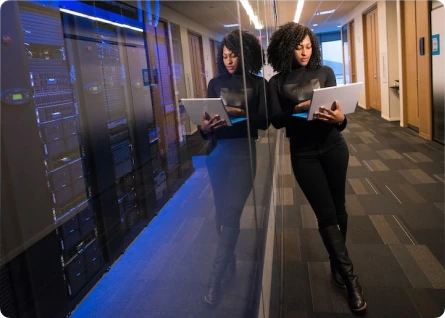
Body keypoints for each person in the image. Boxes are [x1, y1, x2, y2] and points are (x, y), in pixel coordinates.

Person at [267, 22, 367, 312]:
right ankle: (351, 281)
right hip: (303, 153)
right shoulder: (277, 82)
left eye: (309, 46)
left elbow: (341, 117)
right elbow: (276, 119)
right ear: (287, 48)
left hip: (334, 145)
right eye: (299, 47)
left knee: (339, 209)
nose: (305, 52)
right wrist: (297, 109)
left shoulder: (325, 73)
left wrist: (340, 119)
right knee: (325, 215)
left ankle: (337, 265)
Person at [199, 29, 268, 306]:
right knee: (221, 214)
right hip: (218, 154)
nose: (229, 60)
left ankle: (216, 277)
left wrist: (238, 113)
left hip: (243, 154)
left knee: (231, 212)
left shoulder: (257, 83)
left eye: (234, 55)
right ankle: (229, 262)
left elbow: (263, 122)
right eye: (225, 56)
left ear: (245, 53)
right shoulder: (214, 84)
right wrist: (204, 128)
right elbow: (206, 127)